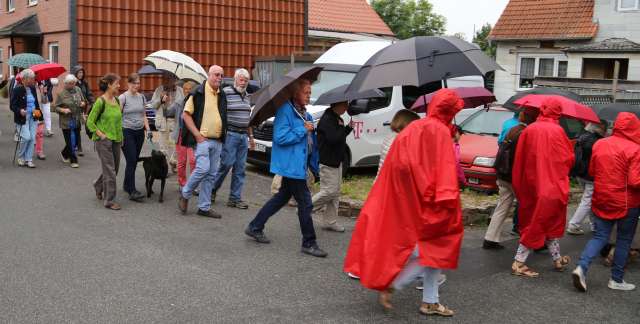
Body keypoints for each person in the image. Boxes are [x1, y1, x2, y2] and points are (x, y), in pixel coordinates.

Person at [344, 89, 465, 317]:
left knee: (427, 250)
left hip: (409, 199)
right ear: (450, 110)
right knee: (435, 248)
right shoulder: (439, 131)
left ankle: (429, 299)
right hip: (433, 200)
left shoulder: (416, 127)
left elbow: (398, 165)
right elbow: (445, 171)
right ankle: (400, 285)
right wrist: (443, 201)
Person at [245, 79, 327, 258]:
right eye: (306, 92)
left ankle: (255, 226)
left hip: (299, 165)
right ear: (295, 93)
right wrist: (302, 130)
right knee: (305, 203)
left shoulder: (305, 114)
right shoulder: (285, 110)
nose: (309, 95)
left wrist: (309, 129)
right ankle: (309, 242)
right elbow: (280, 138)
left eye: (309, 92)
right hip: (291, 166)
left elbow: (309, 141)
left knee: (281, 197)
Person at [572, 112, 640, 292]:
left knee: (600, 236)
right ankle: (616, 279)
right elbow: (635, 181)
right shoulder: (635, 149)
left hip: (601, 197)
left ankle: (582, 267)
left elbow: (593, 171)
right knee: (624, 240)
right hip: (627, 202)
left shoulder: (600, 144)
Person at [510, 98, 574, 277]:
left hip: (531, 183)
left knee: (541, 220)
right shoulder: (558, 131)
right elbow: (568, 159)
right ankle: (518, 262)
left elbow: (520, 158)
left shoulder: (529, 130)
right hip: (551, 184)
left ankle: (557, 259)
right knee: (539, 222)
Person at [483, 108, 539, 250]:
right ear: (533, 118)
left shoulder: (513, 129)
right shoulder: (527, 134)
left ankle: (490, 238)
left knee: (502, 206)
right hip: (515, 177)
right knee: (529, 208)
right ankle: (536, 241)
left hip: (503, 173)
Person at [177, 65, 228, 218]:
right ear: (209, 75)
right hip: (202, 140)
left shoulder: (222, 94)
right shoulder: (197, 92)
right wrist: (197, 135)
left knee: (211, 175)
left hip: (217, 140)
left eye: (221, 75)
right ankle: (185, 194)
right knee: (202, 169)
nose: (219, 78)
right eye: (216, 75)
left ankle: (204, 207)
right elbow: (186, 115)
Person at [211, 69, 254, 209]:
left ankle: (234, 198)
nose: (243, 82)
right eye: (241, 79)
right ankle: (211, 190)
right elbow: (218, 112)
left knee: (240, 168)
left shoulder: (248, 96)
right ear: (235, 79)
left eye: (246, 80)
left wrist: (251, 137)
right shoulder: (226, 93)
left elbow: (248, 119)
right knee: (226, 164)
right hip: (230, 134)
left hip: (243, 136)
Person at [312, 100, 353, 232]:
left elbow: (338, 137)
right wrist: (344, 128)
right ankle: (306, 207)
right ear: (337, 105)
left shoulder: (336, 118)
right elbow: (333, 139)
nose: (347, 107)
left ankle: (330, 221)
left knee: (335, 193)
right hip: (328, 161)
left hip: (336, 160)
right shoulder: (327, 119)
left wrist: (347, 128)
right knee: (329, 191)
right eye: (345, 105)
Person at [87, 73, 123, 211]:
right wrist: (101, 135)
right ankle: (109, 200)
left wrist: (121, 137)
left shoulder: (117, 101)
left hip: (117, 140)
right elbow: (90, 121)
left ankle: (98, 185)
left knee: (115, 169)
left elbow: (118, 121)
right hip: (104, 142)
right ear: (109, 85)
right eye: (117, 84)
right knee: (110, 171)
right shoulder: (100, 101)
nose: (119, 86)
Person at [566, 122, 607, 235]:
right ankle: (573, 225)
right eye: (604, 127)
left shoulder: (582, 136)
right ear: (599, 128)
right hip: (591, 175)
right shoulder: (596, 141)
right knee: (588, 200)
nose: (606, 129)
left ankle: (594, 225)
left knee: (589, 200)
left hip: (581, 173)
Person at [119, 73, 151, 202]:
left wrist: (148, 129)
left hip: (139, 133)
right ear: (129, 84)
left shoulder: (142, 97)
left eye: (138, 83)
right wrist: (118, 134)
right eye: (134, 83)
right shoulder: (123, 98)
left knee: (133, 160)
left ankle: (127, 185)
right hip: (127, 131)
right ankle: (132, 190)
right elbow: (118, 117)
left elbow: (143, 115)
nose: (136, 86)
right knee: (132, 160)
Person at [10, 69, 43, 168]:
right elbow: (12, 105)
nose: (33, 80)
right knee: (26, 137)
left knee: (32, 139)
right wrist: (20, 111)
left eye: (33, 78)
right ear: (25, 79)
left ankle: (28, 159)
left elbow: (35, 103)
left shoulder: (32, 88)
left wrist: (39, 117)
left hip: (33, 116)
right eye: (31, 78)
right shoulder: (17, 89)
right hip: (22, 118)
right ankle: (21, 157)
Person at [375, 109, 420, 180]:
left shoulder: (391, 137)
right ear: (408, 124)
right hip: (390, 184)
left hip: (382, 182)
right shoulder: (400, 140)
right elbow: (405, 166)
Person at [53, 74, 86, 168]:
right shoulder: (61, 94)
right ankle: (73, 160)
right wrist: (63, 110)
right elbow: (55, 107)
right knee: (70, 142)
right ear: (66, 84)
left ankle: (64, 153)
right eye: (70, 84)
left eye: (73, 83)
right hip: (66, 121)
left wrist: (83, 103)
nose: (72, 85)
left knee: (75, 142)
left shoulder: (78, 90)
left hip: (76, 119)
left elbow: (83, 100)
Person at [150, 72, 184, 154]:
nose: (165, 81)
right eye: (164, 79)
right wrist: (160, 100)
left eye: (168, 79)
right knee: (163, 150)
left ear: (175, 80)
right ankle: (163, 166)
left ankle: (173, 165)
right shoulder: (159, 90)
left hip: (175, 122)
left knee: (175, 150)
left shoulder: (180, 90)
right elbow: (153, 105)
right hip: (163, 122)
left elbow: (183, 104)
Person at [173, 81, 197, 192]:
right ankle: (182, 183)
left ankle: (192, 185)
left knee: (193, 161)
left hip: (192, 135)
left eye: (189, 88)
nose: (187, 90)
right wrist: (164, 103)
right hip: (181, 135)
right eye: (185, 88)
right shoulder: (179, 102)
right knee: (182, 161)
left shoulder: (197, 103)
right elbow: (168, 113)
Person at [72, 65, 93, 156]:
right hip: (75, 108)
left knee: (79, 127)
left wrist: (93, 102)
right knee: (77, 127)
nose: (81, 74)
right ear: (75, 73)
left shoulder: (84, 83)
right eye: (79, 72)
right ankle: (79, 147)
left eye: (82, 72)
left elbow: (89, 94)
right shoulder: (73, 83)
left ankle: (77, 145)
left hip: (83, 108)